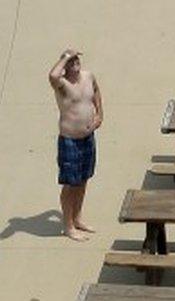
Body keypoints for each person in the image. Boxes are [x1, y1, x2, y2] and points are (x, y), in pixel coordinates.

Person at [48, 49, 102, 241]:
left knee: (84, 178)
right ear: (65, 66)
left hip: (88, 137)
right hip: (70, 140)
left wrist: (99, 114)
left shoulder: (88, 76)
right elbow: (52, 74)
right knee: (71, 184)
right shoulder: (61, 84)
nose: (75, 63)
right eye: (71, 62)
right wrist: (64, 57)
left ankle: (77, 218)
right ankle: (68, 226)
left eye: (76, 60)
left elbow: (95, 91)